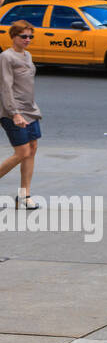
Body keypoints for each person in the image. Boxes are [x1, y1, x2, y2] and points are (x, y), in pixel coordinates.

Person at [0, 20, 42, 208]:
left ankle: (24, 196)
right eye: (23, 36)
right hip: (12, 111)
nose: (27, 39)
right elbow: (5, 86)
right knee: (22, 152)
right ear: (13, 36)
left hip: (30, 110)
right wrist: (14, 113)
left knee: (32, 149)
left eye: (30, 36)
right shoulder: (6, 57)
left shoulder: (28, 55)